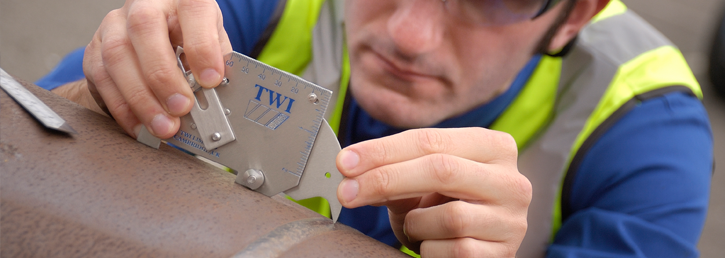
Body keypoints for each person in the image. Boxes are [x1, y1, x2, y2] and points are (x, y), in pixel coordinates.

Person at [38, 0, 713, 257]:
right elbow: (31, 153)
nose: (406, 34)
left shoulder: (645, 128)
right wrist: (99, 92)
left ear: (573, 18)